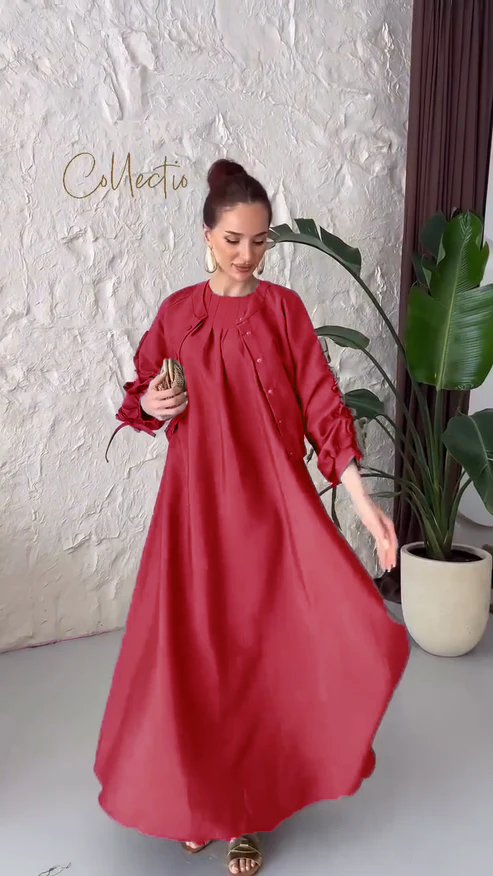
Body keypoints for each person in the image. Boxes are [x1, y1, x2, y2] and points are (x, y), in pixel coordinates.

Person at [95, 159, 409, 874]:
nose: (247, 255)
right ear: (207, 235)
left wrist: (364, 504)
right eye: (234, 239)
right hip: (193, 511)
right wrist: (150, 404)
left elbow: (323, 406)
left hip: (269, 510)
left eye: (261, 241)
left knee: (253, 656)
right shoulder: (178, 313)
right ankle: (200, 798)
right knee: (194, 656)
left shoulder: (282, 311)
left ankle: (244, 815)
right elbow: (141, 392)